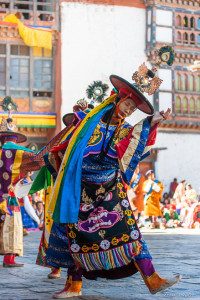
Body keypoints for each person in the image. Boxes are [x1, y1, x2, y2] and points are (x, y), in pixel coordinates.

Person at [39, 69, 181, 298]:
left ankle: (153, 280)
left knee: (131, 232)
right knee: (74, 236)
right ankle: (73, 287)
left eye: (133, 109)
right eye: (127, 105)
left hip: (110, 190)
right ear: (118, 99)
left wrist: (151, 123)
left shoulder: (124, 129)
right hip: (81, 190)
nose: (129, 110)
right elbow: (70, 149)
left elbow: (133, 148)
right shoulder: (88, 123)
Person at [0, 97, 36, 267]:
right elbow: (36, 157)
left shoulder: (2, 152)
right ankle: (9, 259)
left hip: (2, 196)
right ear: (15, 138)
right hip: (11, 197)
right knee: (12, 227)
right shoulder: (16, 152)